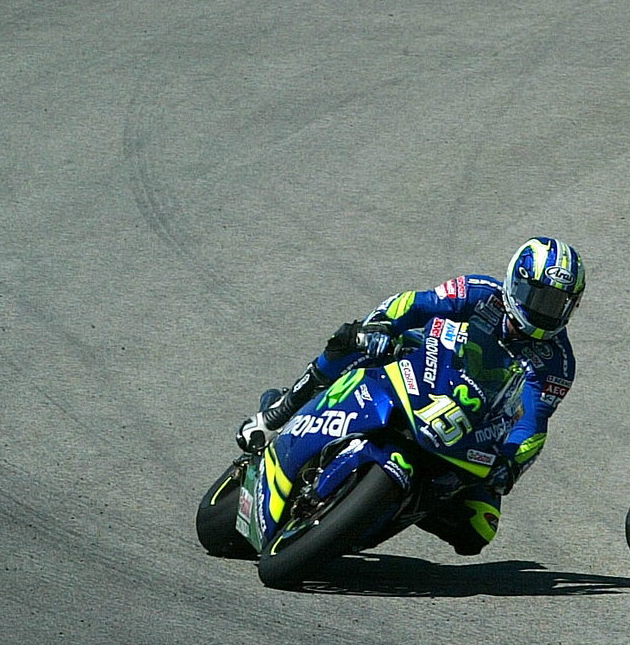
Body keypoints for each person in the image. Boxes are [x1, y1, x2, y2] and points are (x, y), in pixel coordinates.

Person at [236, 237, 585, 556]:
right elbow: (414, 304)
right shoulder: (480, 292)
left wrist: (509, 466)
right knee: (353, 343)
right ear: (516, 283)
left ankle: (376, 510)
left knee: (478, 528)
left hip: (470, 428)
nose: (544, 310)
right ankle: (280, 413)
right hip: (423, 370)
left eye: (557, 304)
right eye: (538, 297)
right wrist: (382, 326)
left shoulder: (558, 362)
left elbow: (533, 421)